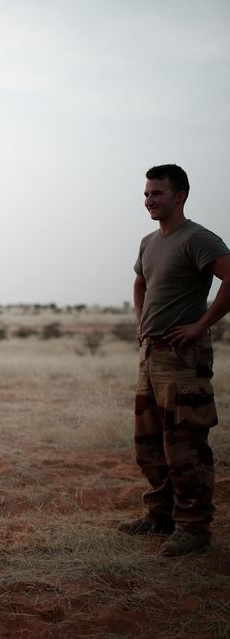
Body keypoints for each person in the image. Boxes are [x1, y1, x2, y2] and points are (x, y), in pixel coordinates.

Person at [118, 164, 230, 557]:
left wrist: (200, 325)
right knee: (149, 443)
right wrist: (139, 323)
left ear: (179, 196)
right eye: (147, 194)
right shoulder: (149, 242)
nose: (149, 200)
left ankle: (194, 527)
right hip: (151, 356)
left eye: (157, 193)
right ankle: (160, 515)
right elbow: (139, 282)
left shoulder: (197, 238)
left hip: (184, 359)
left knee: (185, 442)